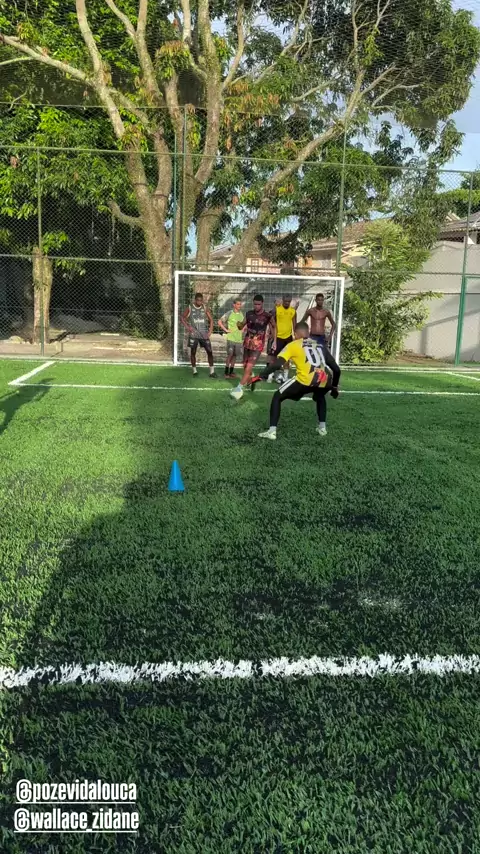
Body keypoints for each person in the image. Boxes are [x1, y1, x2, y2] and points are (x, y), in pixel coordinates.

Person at [251, 321, 341, 440]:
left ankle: (272, 432)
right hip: (325, 380)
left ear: (296, 334)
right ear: (308, 332)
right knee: (320, 396)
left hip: (304, 380)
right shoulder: (319, 345)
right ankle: (322, 428)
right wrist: (334, 387)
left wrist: (261, 375)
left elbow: (277, 364)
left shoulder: (293, 345)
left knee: (277, 396)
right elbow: (336, 369)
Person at [230, 294, 274, 399]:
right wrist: (239, 324)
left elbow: (274, 326)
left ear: (262, 304)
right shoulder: (249, 313)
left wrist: (274, 340)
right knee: (245, 366)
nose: (256, 306)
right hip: (247, 343)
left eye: (258, 304)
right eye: (255, 304)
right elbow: (241, 326)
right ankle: (251, 380)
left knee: (249, 366)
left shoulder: (267, 316)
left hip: (258, 345)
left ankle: (239, 388)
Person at [181, 292, 217, 378]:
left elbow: (211, 320)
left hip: (204, 334)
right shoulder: (190, 307)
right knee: (193, 352)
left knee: (209, 351)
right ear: (195, 300)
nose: (199, 302)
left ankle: (212, 372)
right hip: (194, 334)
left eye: (201, 300)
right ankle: (194, 371)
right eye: (198, 300)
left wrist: (210, 331)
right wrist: (188, 327)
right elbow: (182, 318)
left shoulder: (204, 307)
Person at [267, 296, 298, 384]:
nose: (287, 303)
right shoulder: (277, 309)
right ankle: (270, 376)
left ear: (290, 301)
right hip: (278, 337)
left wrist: (296, 337)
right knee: (273, 358)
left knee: (286, 358)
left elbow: (295, 325)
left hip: (288, 338)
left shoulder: (293, 311)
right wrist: (272, 334)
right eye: (285, 301)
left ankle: (285, 377)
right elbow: (271, 322)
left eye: (288, 301)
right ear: (283, 301)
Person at [218, 298, 244, 379]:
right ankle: (226, 372)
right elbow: (219, 321)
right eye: (238, 304)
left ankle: (231, 372)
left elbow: (242, 325)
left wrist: (243, 329)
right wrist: (226, 330)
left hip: (238, 339)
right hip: (231, 338)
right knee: (230, 355)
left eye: (240, 304)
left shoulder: (241, 314)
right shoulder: (229, 313)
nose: (239, 306)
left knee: (235, 356)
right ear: (234, 305)